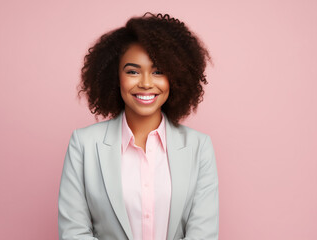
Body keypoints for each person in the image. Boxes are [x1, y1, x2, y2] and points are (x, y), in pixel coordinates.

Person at [58, 12, 219, 240]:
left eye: (158, 72)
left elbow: (203, 234)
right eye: (132, 71)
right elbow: (74, 233)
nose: (145, 83)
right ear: (115, 77)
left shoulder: (199, 147)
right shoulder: (83, 145)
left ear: (175, 76)